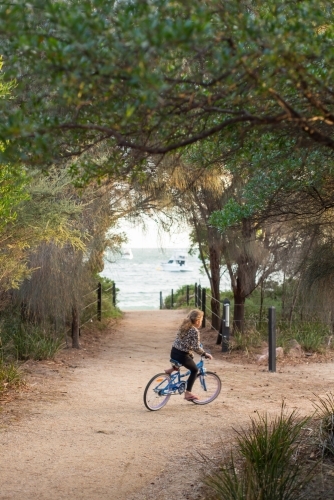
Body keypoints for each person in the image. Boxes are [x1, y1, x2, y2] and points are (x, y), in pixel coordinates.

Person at [165, 309, 213, 401]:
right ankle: (188, 393)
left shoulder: (183, 326)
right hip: (182, 355)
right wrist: (204, 354)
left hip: (174, 352)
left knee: (189, 357)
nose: (201, 322)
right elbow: (196, 347)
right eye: (201, 320)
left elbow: (184, 342)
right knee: (194, 370)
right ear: (197, 321)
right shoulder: (194, 331)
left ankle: (172, 368)